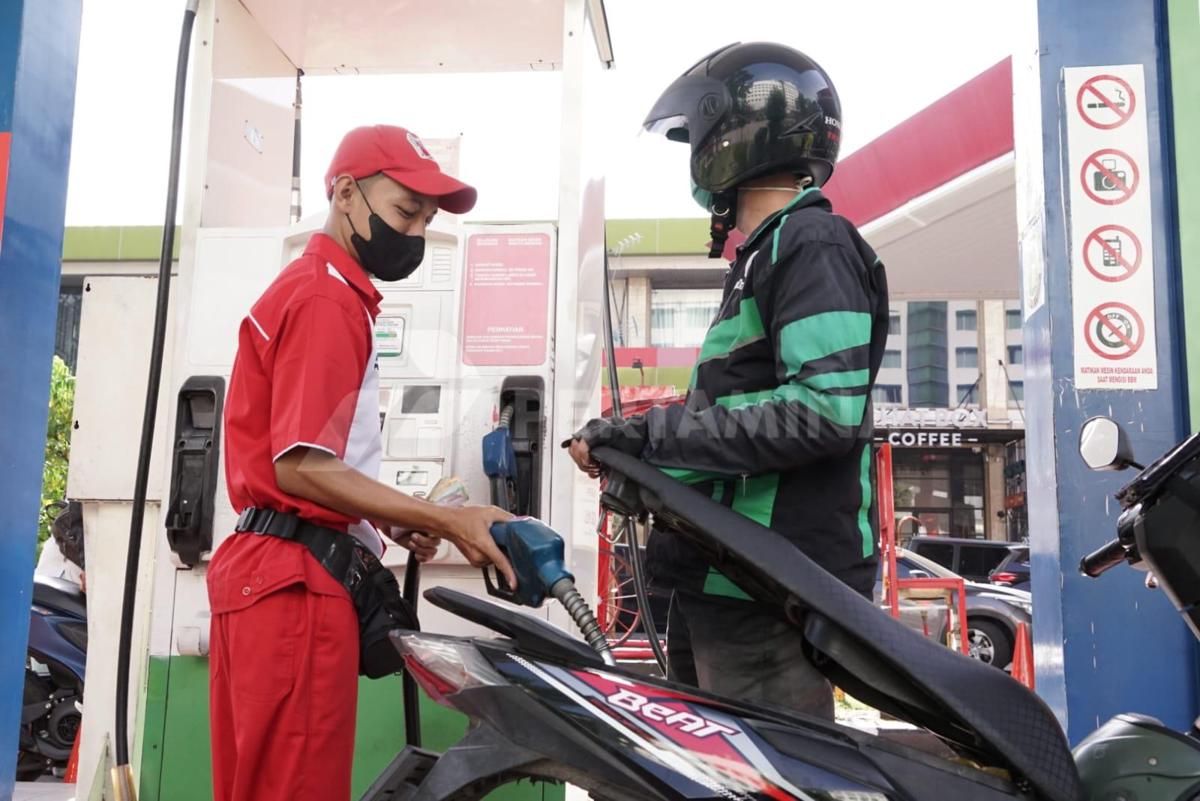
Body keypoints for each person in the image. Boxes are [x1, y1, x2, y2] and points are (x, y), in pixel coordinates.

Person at [567, 43, 890, 720]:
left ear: (732, 141)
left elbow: (823, 410)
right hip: (724, 578)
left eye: (697, 140)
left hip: (766, 589)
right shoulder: (765, 255)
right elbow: (737, 421)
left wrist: (653, 437)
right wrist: (638, 447)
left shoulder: (811, 244)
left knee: (763, 769)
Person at [207, 125, 516, 801]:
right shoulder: (327, 300)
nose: (416, 233)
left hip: (267, 573)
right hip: (295, 584)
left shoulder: (309, 288)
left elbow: (309, 465)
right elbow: (299, 466)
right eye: (406, 211)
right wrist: (447, 519)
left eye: (426, 220)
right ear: (346, 194)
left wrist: (388, 520)